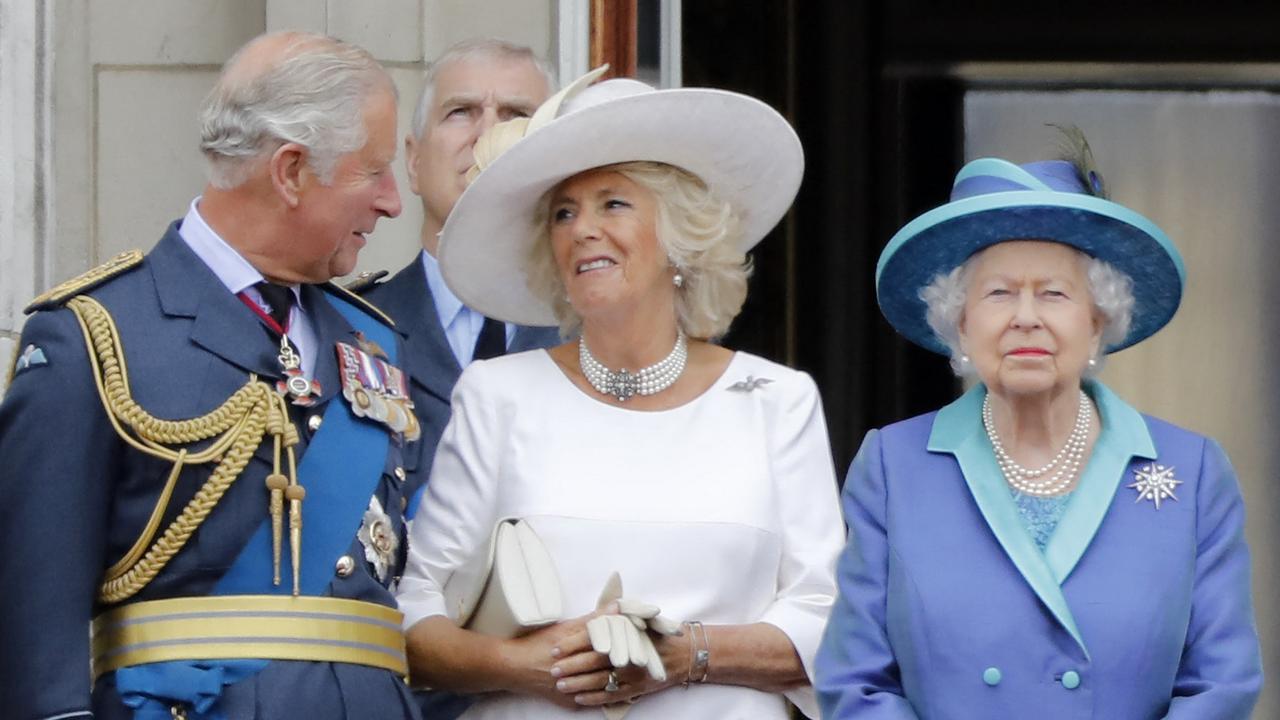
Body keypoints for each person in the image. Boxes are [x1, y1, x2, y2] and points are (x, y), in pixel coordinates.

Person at [394, 68, 844, 720]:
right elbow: (415, 609)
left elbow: (824, 619)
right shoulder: (499, 393)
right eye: (564, 213)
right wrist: (525, 666)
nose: (583, 229)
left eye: (614, 203)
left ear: (679, 235)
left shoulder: (777, 399)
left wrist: (682, 654)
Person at [0, 31, 422, 720]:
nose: (392, 201)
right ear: (290, 172)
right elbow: (32, 632)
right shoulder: (97, 335)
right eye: (372, 172)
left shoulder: (373, 340)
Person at [814, 139, 1263, 718]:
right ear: (961, 322)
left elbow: (1222, 685)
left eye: (1054, 293)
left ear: (1098, 323)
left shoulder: (1193, 471)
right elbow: (855, 683)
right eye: (999, 293)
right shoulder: (893, 466)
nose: (1026, 316)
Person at [356, 39, 560, 520]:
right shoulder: (353, 329)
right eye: (461, 112)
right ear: (413, 161)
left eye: (514, 114)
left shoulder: (602, 331)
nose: (487, 132)